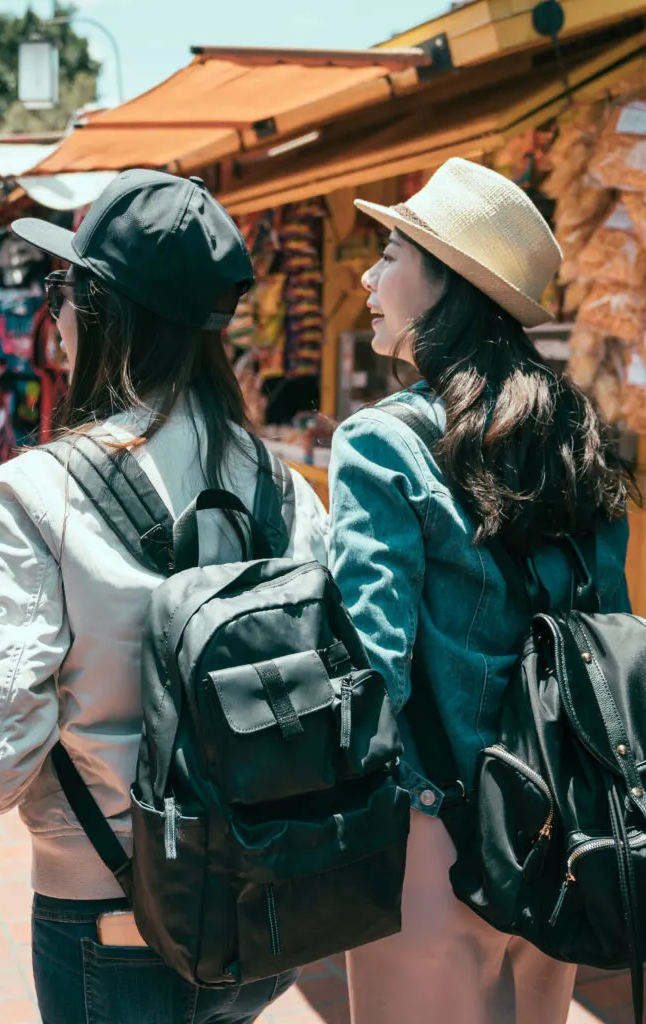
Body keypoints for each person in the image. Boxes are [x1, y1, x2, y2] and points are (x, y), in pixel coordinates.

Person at [0, 170, 329, 1024]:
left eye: (62, 289)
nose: (54, 314)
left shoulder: (38, 493)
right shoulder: (288, 490)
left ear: (101, 309)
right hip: (268, 909)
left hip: (109, 919)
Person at [326, 158, 636, 1024]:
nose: (368, 276)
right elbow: (603, 640)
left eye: (390, 253)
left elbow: (369, 668)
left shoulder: (381, 445)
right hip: (561, 829)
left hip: (436, 835)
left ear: (446, 280)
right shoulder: (575, 436)